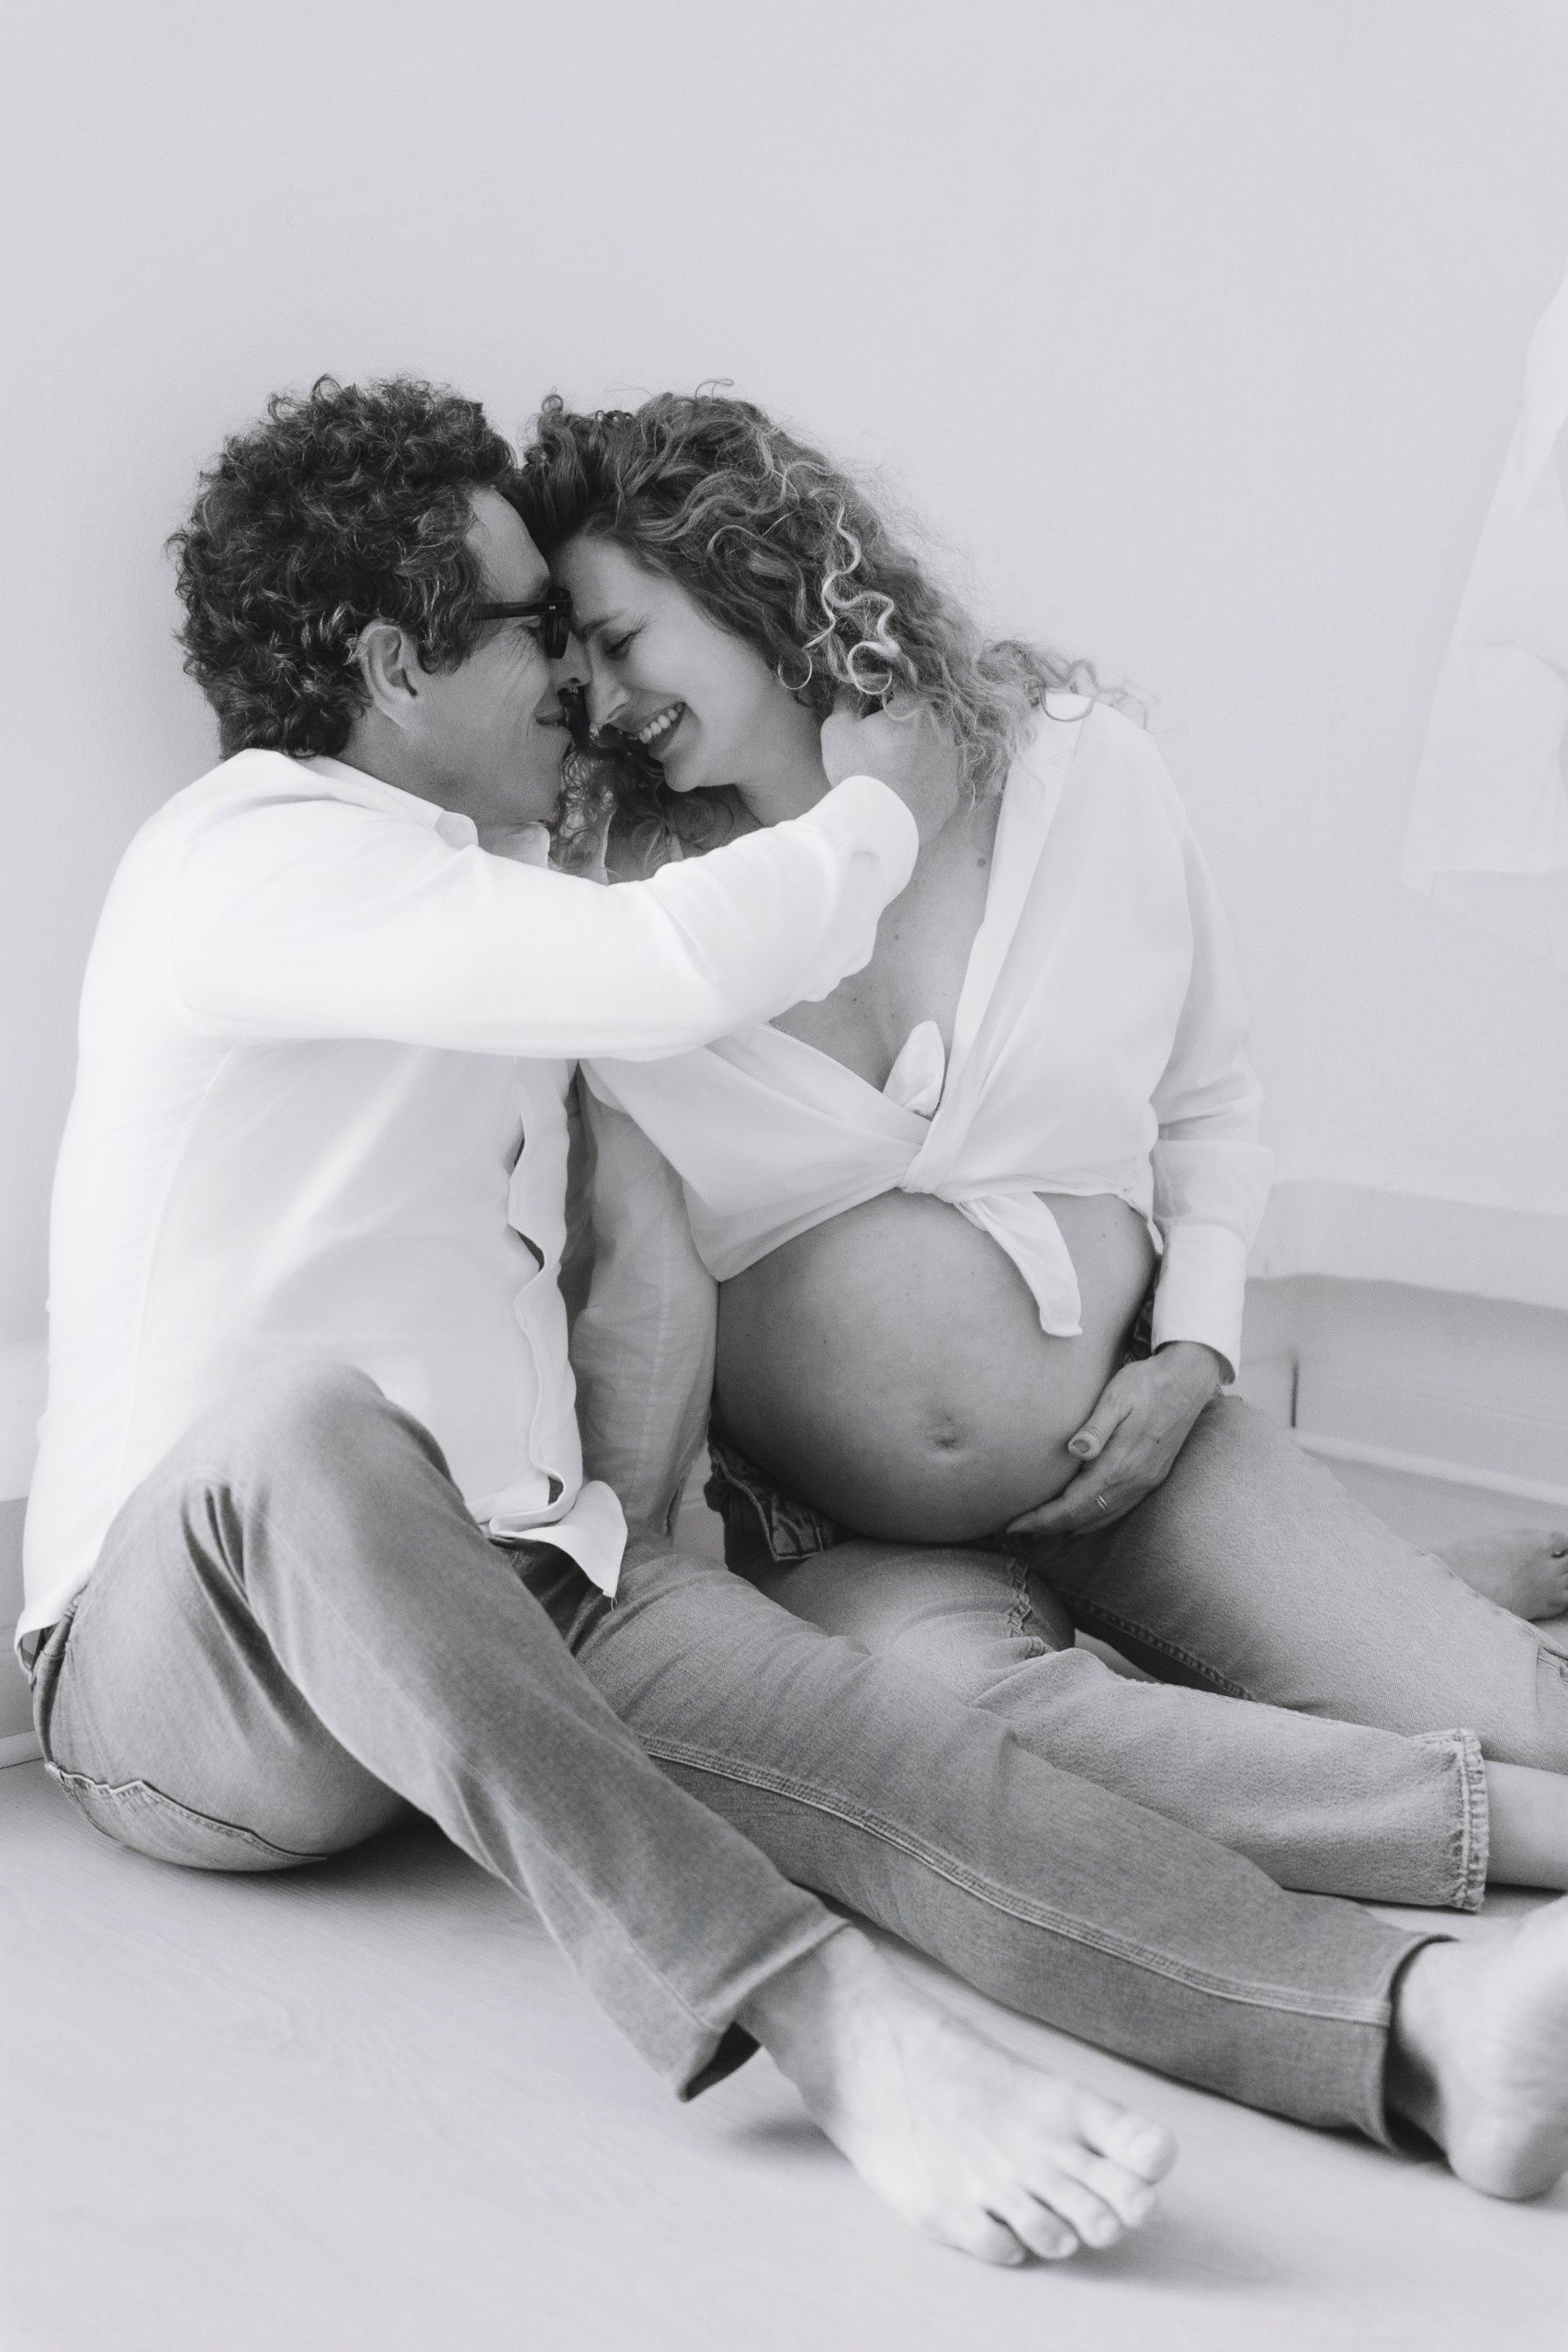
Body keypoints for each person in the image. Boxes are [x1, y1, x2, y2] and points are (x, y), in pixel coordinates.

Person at [19, 380, 1568, 2269]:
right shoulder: (243, 856)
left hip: (519, 1586)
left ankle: (1405, 2019)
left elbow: (626, 1253)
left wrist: (661, 1525)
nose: (575, 690)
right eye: (528, 631)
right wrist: (876, 813)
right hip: (193, 1658)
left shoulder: (481, 895)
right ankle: (822, 2015)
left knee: (931, 1773)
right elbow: (677, 967)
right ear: (382, 663)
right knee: (301, 1423)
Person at [513, 390, 1568, 1910]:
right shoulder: (632, 907)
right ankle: (1489, 1826)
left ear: (745, 568)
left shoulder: (1078, 776)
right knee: (967, 1741)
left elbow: (1211, 1099)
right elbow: (634, 1271)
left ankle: (1350, 1642)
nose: (604, 703)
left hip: (1141, 1450)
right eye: (576, 666)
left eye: (621, 638)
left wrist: (1193, 1355)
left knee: (1536, 1713)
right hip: (844, 1523)